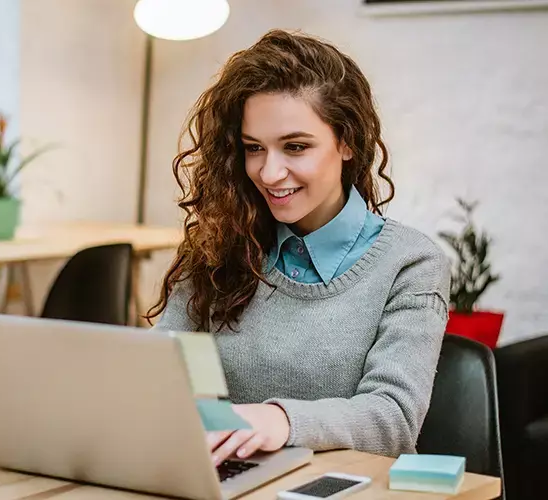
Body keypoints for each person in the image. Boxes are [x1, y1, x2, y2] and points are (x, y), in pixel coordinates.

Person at [147, 29, 451, 464]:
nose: (270, 173)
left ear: (347, 141)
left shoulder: (411, 264)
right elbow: (162, 371)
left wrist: (280, 421)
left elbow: (393, 418)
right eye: (254, 148)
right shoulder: (221, 245)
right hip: (219, 483)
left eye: (295, 147)